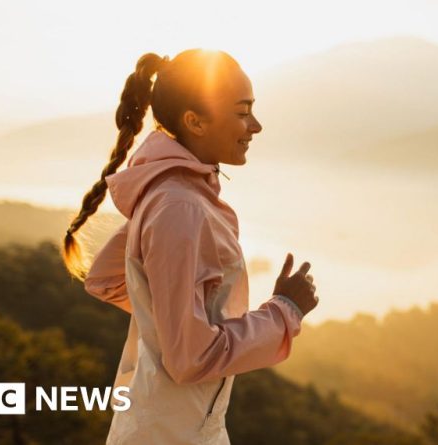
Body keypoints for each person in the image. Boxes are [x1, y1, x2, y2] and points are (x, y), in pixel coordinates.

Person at [60, 49, 320, 444]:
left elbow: (106, 279)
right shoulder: (180, 206)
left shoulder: (172, 195)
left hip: (168, 423)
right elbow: (190, 358)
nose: (256, 126)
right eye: (242, 112)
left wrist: (175, 315)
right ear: (194, 121)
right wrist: (285, 311)